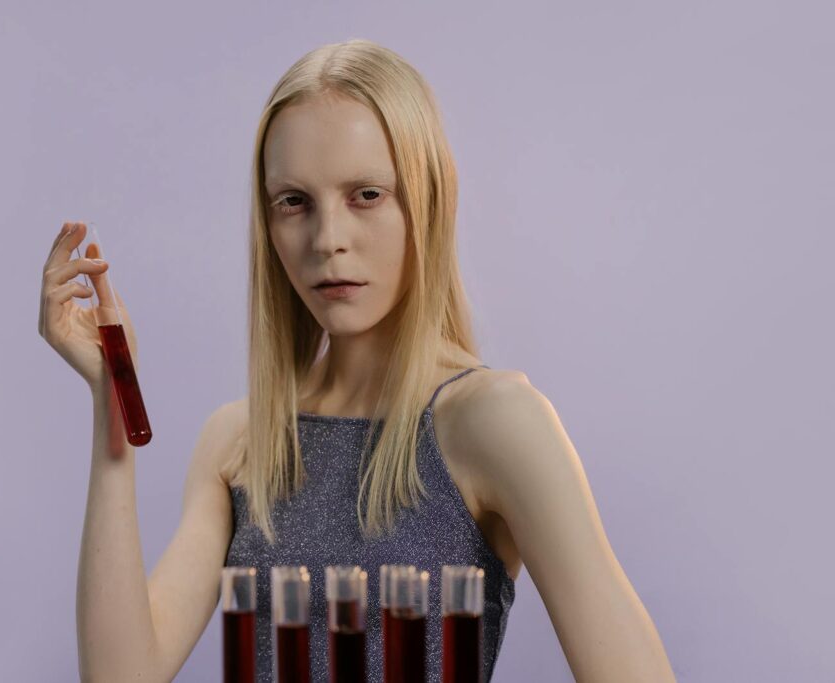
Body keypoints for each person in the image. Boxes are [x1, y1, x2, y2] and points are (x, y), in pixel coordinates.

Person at [39, 39, 676, 683]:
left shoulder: (493, 421)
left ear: (427, 200)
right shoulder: (241, 441)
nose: (328, 240)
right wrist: (113, 396)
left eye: (366, 194)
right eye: (294, 201)